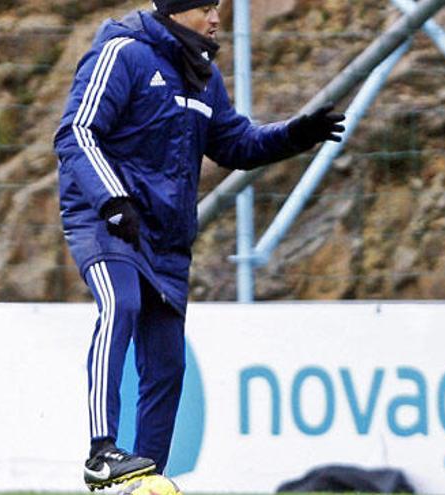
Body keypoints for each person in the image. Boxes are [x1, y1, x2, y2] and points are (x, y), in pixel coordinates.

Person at [54, 0, 345, 490]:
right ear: (176, 10)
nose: (217, 19)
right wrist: (112, 199)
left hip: (166, 242)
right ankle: (102, 452)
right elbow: (77, 132)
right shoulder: (123, 54)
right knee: (120, 304)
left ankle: (144, 481)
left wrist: (295, 135)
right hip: (107, 222)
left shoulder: (203, 76)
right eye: (207, 7)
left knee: (167, 365)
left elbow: (237, 145)